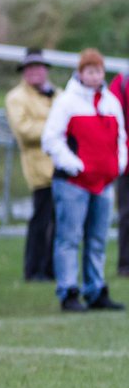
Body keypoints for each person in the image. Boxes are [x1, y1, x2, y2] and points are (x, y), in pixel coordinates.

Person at [41, 48, 127, 312]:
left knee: (97, 239)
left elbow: (121, 137)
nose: (94, 75)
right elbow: (51, 139)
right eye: (89, 71)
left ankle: (95, 288)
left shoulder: (110, 102)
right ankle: (68, 290)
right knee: (69, 237)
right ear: (80, 73)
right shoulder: (67, 102)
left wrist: (118, 165)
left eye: (98, 70)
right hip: (73, 184)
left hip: (102, 183)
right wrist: (75, 165)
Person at [4, 48, 57, 282]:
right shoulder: (16, 97)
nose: (35, 72)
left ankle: (51, 268)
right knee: (41, 221)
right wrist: (54, 129)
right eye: (30, 68)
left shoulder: (57, 94)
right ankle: (33, 269)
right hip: (39, 169)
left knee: (59, 223)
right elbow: (24, 131)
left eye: (39, 67)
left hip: (63, 169)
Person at [108, 67, 129, 277]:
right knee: (126, 215)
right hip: (127, 163)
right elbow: (114, 120)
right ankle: (125, 265)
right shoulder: (122, 82)